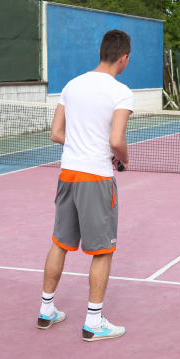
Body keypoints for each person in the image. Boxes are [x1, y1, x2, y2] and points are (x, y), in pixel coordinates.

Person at [37, 29, 134, 342]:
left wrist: (82, 144)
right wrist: (124, 159)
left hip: (68, 175)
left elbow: (56, 133)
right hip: (96, 178)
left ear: (101, 52)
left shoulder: (72, 85)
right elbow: (116, 141)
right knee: (102, 251)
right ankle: (93, 322)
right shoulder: (121, 92)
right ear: (124, 58)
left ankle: (46, 309)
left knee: (60, 243)